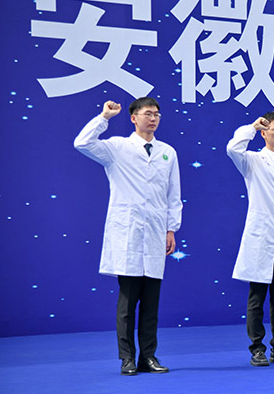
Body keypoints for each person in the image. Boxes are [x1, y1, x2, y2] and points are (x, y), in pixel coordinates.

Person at [74, 98, 182, 376]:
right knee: (127, 302)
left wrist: (171, 228)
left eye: (157, 114)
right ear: (134, 118)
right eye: (147, 114)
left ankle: (149, 356)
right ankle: (127, 358)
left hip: (156, 233)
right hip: (128, 234)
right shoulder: (117, 147)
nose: (153, 118)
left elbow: (173, 194)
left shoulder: (167, 152)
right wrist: (104, 118)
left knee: (151, 304)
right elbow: (82, 143)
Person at [226, 112, 274, 367]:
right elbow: (232, 148)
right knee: (257, 297)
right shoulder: (252, 161)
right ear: (264, 133)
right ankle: (257, 348)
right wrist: (251, 127)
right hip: (260, 238)